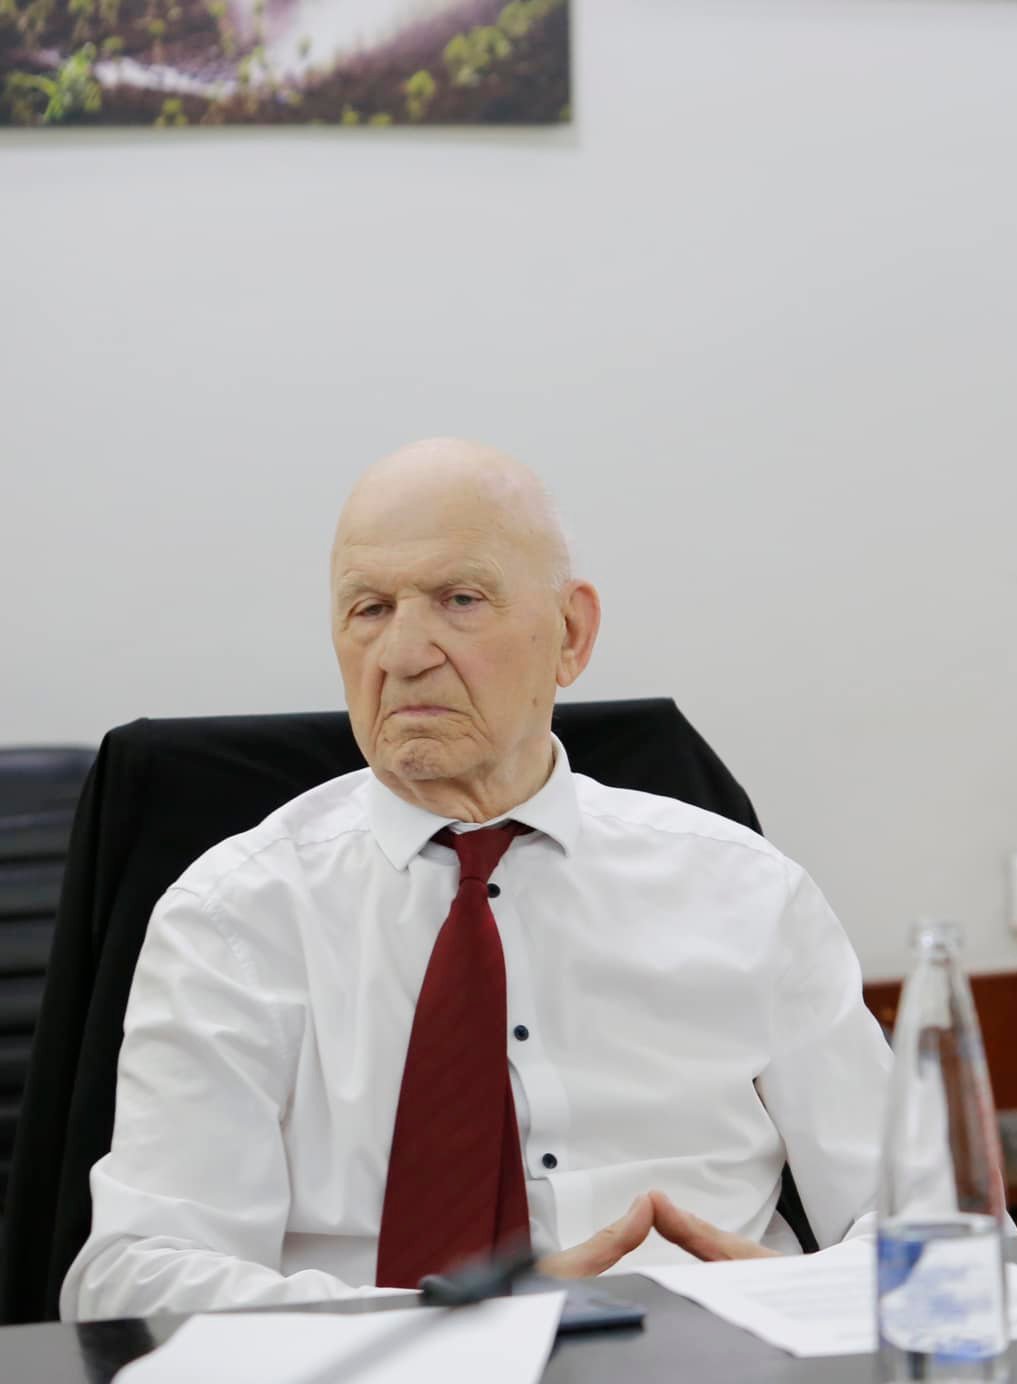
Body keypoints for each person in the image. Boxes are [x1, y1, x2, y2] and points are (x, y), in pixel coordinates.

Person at [62, 438, 893, 1320]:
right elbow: (136, 1280)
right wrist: (439, 1332)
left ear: (571, 634)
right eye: (369, 608)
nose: (402, 652)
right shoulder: (233, 919)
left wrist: (792, 1294)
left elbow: (937, 1220)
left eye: (459, 600)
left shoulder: (746, 892)